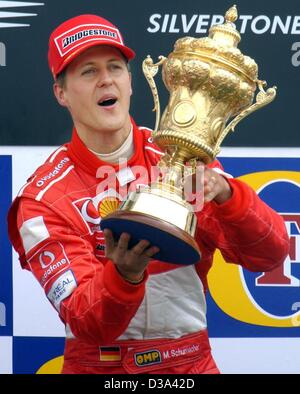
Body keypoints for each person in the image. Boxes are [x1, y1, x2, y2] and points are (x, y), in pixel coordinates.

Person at [7, 14, 289, 374]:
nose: (106, 79)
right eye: (88, 71)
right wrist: (124, 275)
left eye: (115, 67)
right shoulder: (43, 198)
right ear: (61, 92)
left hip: (190, 366)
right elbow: (87, 321)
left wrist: (228, 195)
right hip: (102, 369)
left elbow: (270, 255)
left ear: (130, 82)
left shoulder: (182, 160)